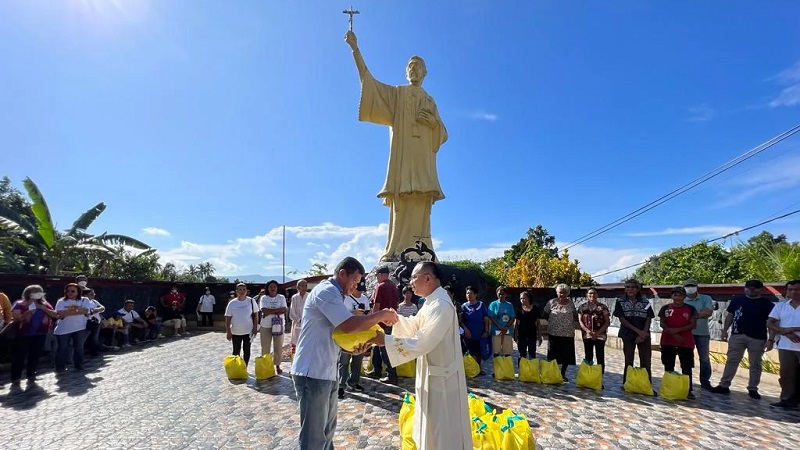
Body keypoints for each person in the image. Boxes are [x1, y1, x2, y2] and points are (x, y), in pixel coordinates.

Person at [345, 30, 448, 261]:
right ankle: (397, 249)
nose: (414, 70)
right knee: (401, 200)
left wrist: (432, 123)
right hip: (403, 161)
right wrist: (355, 50)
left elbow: (442, 133)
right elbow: (369, 83)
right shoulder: (397, 95)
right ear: (406, 72)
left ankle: (424, 250)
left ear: (425, 73)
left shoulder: (430, 100)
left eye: (418, 67)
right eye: (411, 67)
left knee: (421, 201)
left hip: (422, 162)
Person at [291, 256, 398, 450]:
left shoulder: (339, 296)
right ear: (342, 274)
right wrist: (381, 315)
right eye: (354, 281)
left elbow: (337, 334)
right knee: (313, 438)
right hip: (312, 372)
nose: (354, 286)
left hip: (327, 371)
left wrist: (353, 348)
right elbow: (348, 326)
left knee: (327, 432)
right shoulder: (327, 292)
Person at [378, 261, 471, 450]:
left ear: (427, 278)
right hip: (432, 375)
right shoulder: (431, 302)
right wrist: (396, 318)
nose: (410, 282)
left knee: (441, 430)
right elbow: (415, 326)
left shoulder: (441, 305)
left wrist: (385, 340)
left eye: (413, 277)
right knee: (431, 429)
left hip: (442, 381)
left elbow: (422, 342)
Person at [710, 280, 775, 399]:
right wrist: (724, 331)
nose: (750, 290)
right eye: (748, 287)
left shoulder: (767, 304)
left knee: (755, 364)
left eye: (754, 288)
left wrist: (771, 339)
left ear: (761, 289)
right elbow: (730, 315)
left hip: (758, 337)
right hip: (737, 335)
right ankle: (724, 385)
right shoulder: (737, 300)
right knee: (731, 361)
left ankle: (753, 388)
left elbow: (771, 322)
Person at [10, 285, 57, 384]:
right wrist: (28, 312)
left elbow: (54, 314)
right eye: (35, 291)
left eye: (39, 291)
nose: (37, 293)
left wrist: (42, 308)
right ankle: (16, 377)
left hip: (40, 333)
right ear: (28, 293)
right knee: (19, 356)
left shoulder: (45, 304)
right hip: (24, 333)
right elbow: (16, 318)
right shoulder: (19, 304)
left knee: (35, 355)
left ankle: (31, 374)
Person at [658, 286, 699, 400]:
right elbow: (662, 323)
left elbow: (693, 324)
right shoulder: (665, 308)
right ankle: (669, 386)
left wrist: (678, 330)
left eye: (680, 294)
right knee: (668, 365)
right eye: (674, 294)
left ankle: (688, 390)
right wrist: (673, 333)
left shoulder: (691, 309)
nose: (677, 296)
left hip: (685, 341)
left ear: (684, 296)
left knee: (686, 366)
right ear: (671, 296)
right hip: (668, 340)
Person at [767, 279, 800, 408]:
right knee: (786, 375)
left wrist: (793, 329)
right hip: (786, 347)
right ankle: (787, 399)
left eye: (797, 289)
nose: (793, 292)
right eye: (790, 289)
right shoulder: (781, 306)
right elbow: (770, 323)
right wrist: (786, 332)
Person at [614, 279, 654, 384]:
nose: (630, 289)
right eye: (627, 287)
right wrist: (637, 331)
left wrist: (643, 333)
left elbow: (649, 317)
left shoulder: (646, 302)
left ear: (637, 289)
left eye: (632, 287)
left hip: (644, 334)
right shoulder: (620, 301)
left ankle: (646, 384)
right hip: (627, 334)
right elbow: (622, 319)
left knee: (646, 361)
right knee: (628, 360)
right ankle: (627, 383)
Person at [337, 281, 372, 399]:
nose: (360, 292)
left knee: (358, 360)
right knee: (344, 361)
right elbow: (340, 315)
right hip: (347, 334)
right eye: (359, 289)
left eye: (362, 290)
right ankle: (341, 386)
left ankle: (354, 382)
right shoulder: (345, 298)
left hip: (360, 333)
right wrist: (353, 313)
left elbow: (368, 314)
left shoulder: (364, 299)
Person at [682, 278, 715, 390]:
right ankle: (688, 381)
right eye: (688, 286)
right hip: (687, 333)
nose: (690, 287)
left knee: (704, 358)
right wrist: (699, 315)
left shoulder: (706, 298)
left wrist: (691, 316)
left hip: (702, 333)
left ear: (697, 287)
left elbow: (708, 312)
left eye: (692, 285)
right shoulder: (682, 299)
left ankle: (705, 381)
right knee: (687, 358)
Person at [368, 265, 399, 383]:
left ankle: (391, 375)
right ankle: (376, 370)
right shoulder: (394, 286)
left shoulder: (380, 287)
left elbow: (377, 306)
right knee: (378, 348)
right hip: (391, 322)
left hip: (381, 322)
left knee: (384, 350)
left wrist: (372, 320)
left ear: (380, 275)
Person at [53, 283, 92, 373]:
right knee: (62, 348)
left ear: (78, 291)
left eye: (72, 291)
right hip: (63, 329)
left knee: (79, 347)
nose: (69, 293)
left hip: (79, 328)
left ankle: (79, 366)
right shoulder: (61, 301)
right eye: (68, 291)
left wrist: (67, 311)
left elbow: (86, 310)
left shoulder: (84, 300)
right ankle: (60, 367)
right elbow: (60, 313)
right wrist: (78, 310)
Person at [543, 284, 578, 381]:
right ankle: (552, 373)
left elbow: (575, 315)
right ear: (557, 292)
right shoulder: (551, 302)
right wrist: (553, 322)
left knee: (566, 355)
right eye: (560, 292)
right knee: (553, 355)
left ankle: (562, 374)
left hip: (568, 333)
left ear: (567, 293)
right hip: (554, 333)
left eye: (564, 293)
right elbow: (545, 314)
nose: (562, 294)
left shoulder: (571, 304)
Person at [225, 283, 259, 367]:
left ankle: (244, 367)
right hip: (236, 332)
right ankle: (236, 368)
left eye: (244, 289)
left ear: (246, 291)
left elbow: (256, 315)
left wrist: (255, 328)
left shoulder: (251, 301)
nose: (242, 291)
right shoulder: (232, 303)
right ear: (236, 291)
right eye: (240, 289)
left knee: (246, 350)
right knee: (236, 351)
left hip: (248, 331)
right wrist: (228, 331)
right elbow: (228, 318)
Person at [577, 287, 610, 372]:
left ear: (597, 295)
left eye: (594, 293)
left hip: (600, 336)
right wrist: (588, 331)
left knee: (600, 356)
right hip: (587, 335)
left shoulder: (603, 307)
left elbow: (607, 322)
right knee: (588, 356)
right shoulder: (582, 307)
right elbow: (580, 321)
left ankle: (599, 377)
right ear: (586, 295)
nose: (592, 295)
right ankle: (589, 376)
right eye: (590, 293)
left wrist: (597, 333)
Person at [259, 280, 288, 375]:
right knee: (265, 347)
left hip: (279, 325)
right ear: (267, 288)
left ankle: (277, 365)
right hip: (266, 326)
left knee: (278, 347)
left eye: (274, 286)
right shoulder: (264, 298)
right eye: (270, 286)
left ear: (277, 288)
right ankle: (266, 366)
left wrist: (269, 311)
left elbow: (284, 310)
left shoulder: (281, 297)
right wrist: (277, 310)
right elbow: (264, 310)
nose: (272, 288)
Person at [461, 286, 490, 375]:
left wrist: (486, 330)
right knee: (470, 352)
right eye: (467, 293)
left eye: (471, 293)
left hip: (480, 333)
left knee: (478, 352)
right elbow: (461, 321)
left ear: (476, 294)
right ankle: (471, 368)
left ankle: (478, 368)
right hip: (468, 333)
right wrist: (465, 329)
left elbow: (486, 319)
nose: (468, 295)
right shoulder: (463, 306)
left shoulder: (481, 305)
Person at [514, 290, 542, 364]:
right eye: (520, 298)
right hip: (521, 335)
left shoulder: (535, 308)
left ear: (529, 298)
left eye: (523, 298)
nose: (522, 300)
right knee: (522, 354)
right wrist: (515, 334)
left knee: (532, 354)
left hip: (532, 335)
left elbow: (538, 323)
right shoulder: (519, 308)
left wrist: (539, 335)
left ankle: (532, 371)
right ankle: (522, 371)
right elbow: (516, 323)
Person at [488, 286, 516, 358]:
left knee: (507, 352)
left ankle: (507, 368)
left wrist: (506, 327)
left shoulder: (509, 305)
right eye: (499, 293)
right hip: (496, 330)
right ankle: (497, 368)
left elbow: (512, 317)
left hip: (507, 330)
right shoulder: (493, 304)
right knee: (496, 352)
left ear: (506, 294)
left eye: (503, 294)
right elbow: (491, 317)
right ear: (496, 293)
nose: (501, 295)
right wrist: (499, 326)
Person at [83, 288, 106, 356]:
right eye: (91, 294)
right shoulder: (82, 301)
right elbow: (87, 311)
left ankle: (93, 352)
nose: (93, 295)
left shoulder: (94, 301)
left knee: (94, 338)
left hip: (96, 322)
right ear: (85, 295)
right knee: (84, 338)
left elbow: (103, 308)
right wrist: (93, 310)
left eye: (94, 293)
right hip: (86, 322)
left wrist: (94, 310)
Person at [289, 279, 309, 355]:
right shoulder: (294, 297)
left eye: (305, 285)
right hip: (297, 324)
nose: (304, 287)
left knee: (306, 343)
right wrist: (299, 319)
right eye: (302, 285)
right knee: (297, 344)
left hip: (307, 323)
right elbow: (292, 312)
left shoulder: (309, 296)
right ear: (298, 287)